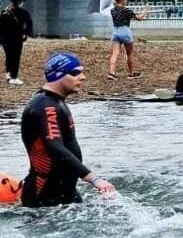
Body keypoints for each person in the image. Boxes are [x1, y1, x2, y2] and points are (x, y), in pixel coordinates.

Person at [20, 52, 116, 207]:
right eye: (75, 73)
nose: (82, 77)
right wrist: (95, 180)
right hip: (44, 197)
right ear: (57, 75)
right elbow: (55, 147)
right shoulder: (45, 106)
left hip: (66, 193)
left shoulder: (56, 102)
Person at [107, 0, 149, 80]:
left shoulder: (112, 10)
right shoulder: (127, 10)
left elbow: (120, 11)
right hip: (125, 31)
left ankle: (111, 72)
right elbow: (140, 18)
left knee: (115, 53)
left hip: (115, 32)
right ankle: (131, 73)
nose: (127, 1)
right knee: (129, 54)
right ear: (122, 0)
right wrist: (145, 10)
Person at [0, 0, 34, 85]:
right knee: (15, 57)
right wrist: (26, 33)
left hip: (5, 39)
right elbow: (29, 24)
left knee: (9, 56)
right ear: (19, 2)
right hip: (17, 38)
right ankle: (14, 77)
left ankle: (8, 74)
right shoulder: (24, 12)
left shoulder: (5, 12)